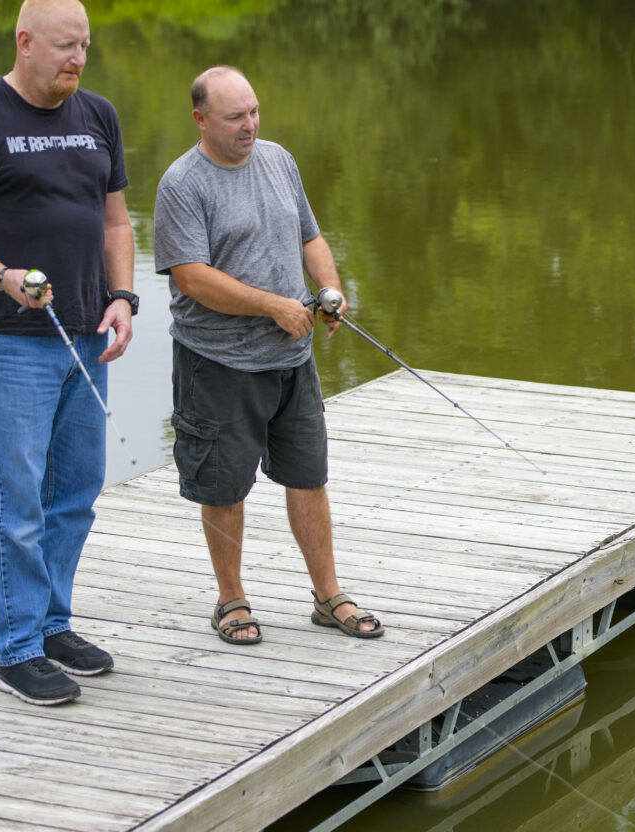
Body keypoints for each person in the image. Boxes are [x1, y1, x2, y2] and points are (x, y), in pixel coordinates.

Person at [0, 0, 136, 705]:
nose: (77, 59)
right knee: (15, 503)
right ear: (25, 42)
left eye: (85, 46)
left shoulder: (98, 115)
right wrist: (4, 276)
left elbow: (116, 222)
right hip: (5, 341)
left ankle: (50, 625)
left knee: (74, 493)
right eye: (66, 46)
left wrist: (123, 299)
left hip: (86, 336)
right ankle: (14, 649)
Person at [153, 65, 383, 645]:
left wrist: (328, 291)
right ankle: (231, 601)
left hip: (291, 360)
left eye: (254, 112)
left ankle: (329, 597)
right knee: (223, 487)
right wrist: (274, 306)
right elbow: (192, 278)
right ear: (202, 120)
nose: (249, 125)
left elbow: (311, 237)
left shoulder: (279, 160)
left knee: (309, 477)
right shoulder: (182, 184)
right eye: (235, 117)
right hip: (218, 363)